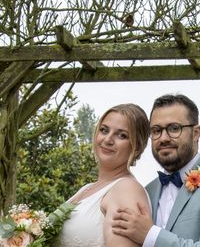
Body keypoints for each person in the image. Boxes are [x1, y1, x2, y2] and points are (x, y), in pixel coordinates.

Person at [111, 94, 200, 247]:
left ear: (196, 133)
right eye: (156, 131)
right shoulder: (146, 192)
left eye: (174, 128)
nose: (163, 138)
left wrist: (150, 235)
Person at [57, 103, 152, 247]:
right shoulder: (87, 188)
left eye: (122, 135)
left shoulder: (126, 190)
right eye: (104, 130)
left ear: (137, 146)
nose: (108, 140)